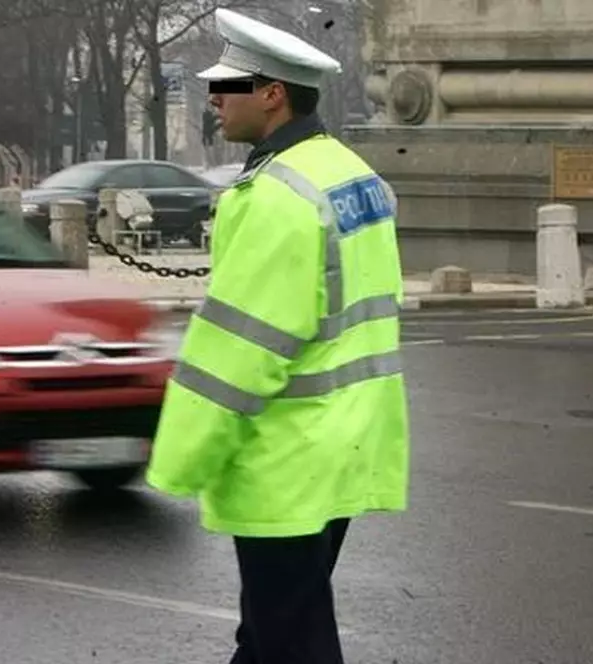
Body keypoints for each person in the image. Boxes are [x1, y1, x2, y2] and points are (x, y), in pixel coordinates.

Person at [144, 9, 410, 664]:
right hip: (349, 439)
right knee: (269, 635)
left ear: (272, 94)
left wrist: (178, 460)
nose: (214, 97)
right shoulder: (354, 177)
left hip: (286, 459)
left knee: (292, 641)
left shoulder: (275, 198)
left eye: (228, 85)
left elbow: (236, 354)